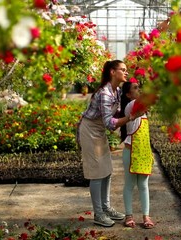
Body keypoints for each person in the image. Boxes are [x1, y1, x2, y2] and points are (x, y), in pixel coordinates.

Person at [77, 60, 139, 227]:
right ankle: (98, 213)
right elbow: (109, 123)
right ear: (113, 72)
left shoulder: (117, 91)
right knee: (97, 173)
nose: (126, 73)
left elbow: (117, 114)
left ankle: (106, 207)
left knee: (107, 170)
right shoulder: (105, 93)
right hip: (90, 131)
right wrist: (129, 118)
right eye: (123, 70)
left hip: (99, 131)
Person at [119, 81, 155, 229]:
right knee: (129, 185)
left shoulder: (143, 112)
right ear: (128, 95)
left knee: (143, 185)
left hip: (144, 153)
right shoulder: (130, 107)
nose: (139, 90)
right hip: (130, 153)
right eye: (135, 88)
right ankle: (129, 215)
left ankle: (146, 216)